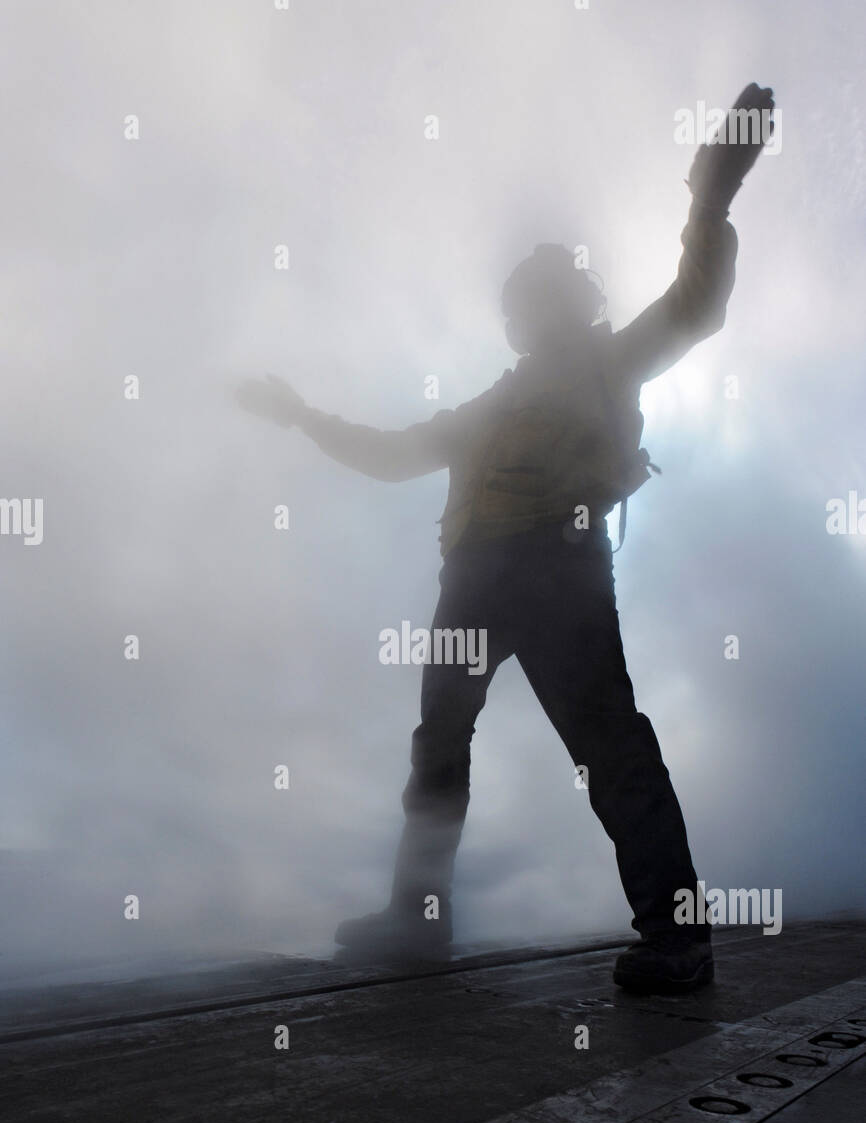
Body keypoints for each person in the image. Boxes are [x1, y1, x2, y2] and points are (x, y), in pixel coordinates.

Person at [238, 84, 775, 993]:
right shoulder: (489, 404)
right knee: (438, 743)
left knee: (609, 746)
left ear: (570, 302)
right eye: (519, 301)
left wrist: (710, 202)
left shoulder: (609, 360)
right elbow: (392, 450)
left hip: (557, 565)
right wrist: (299, 416)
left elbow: (695, 304)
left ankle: (679, 938)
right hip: (471, 580)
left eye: (538, 296)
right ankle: (418, 925)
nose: (525, 312)